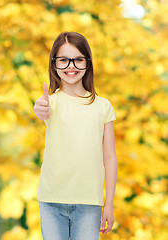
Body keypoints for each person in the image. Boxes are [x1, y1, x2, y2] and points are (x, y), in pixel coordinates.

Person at [33, 31, 117, 240]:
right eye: (63, 60)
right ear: (54, 64)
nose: (71, 66)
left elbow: (110, 158)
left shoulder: (103, 106)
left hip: (89, 202)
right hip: (51, 199)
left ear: (87, 63)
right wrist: (40, 108)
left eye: (78, 59)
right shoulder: (49, 102)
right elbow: (41, 109)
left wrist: (110, 204)